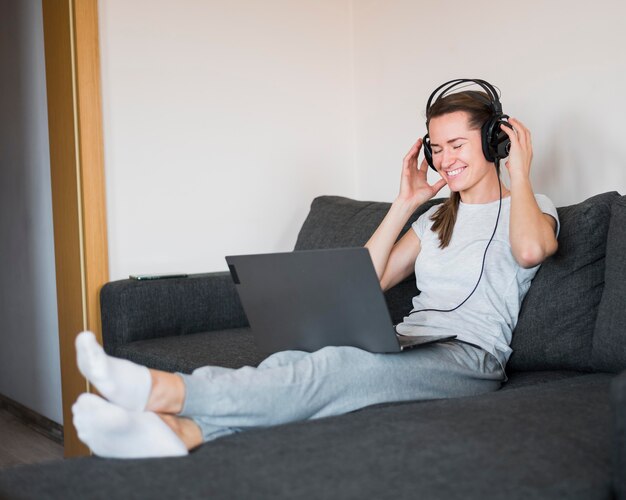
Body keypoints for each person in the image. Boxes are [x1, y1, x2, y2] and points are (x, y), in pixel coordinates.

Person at [72, 80, 559, 459]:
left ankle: (166, 390)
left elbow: (530, 251)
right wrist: (405, 202)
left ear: (495, 140)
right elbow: (368, 282)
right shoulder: (436, 217)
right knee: (291, 363)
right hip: (413, 341)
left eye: (457, 144)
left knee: (334, 366)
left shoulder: (534, 207)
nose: (444, 159)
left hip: (471, 360)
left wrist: (518, 171)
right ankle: (179, 432)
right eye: (436, 147)